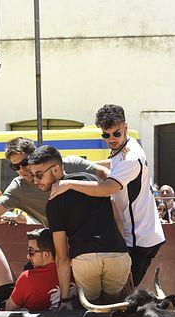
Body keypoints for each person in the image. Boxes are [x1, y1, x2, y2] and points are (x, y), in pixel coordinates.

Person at [48, 104, 166, 287]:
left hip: (138, 239)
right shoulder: (127, 145)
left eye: (116, 133)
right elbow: (113, 164)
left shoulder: (132, 157)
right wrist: (85, 165)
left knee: (123, 297)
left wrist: (69, 183)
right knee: (122, 295)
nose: (111, 139)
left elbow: (107, 188)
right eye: (106, 134)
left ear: (125, 127)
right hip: (143, 233)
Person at [27, 145, 130, 306]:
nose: (35, 181)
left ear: (56, 169)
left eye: (39, 175)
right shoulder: (93, 180)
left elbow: (61, 257)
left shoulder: (54, 201)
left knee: (93, 316)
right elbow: (118, 220)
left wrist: (65, 298)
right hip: (117, 255)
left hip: (85, 259)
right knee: (113, 311)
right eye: (33, 176)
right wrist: (125, 253)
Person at [0, 137, 108, 233]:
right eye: (15, 167)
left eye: (25, 162)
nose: (22, 169)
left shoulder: (68, 163)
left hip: (98, 234)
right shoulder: (19, 188)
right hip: (63, 241)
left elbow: (106, 175)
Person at [5, 228, 65, 311]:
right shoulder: (73, 272)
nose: (28, 256)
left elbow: (8, 309)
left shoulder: (27, 278)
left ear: (45, 255)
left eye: (31, 252)